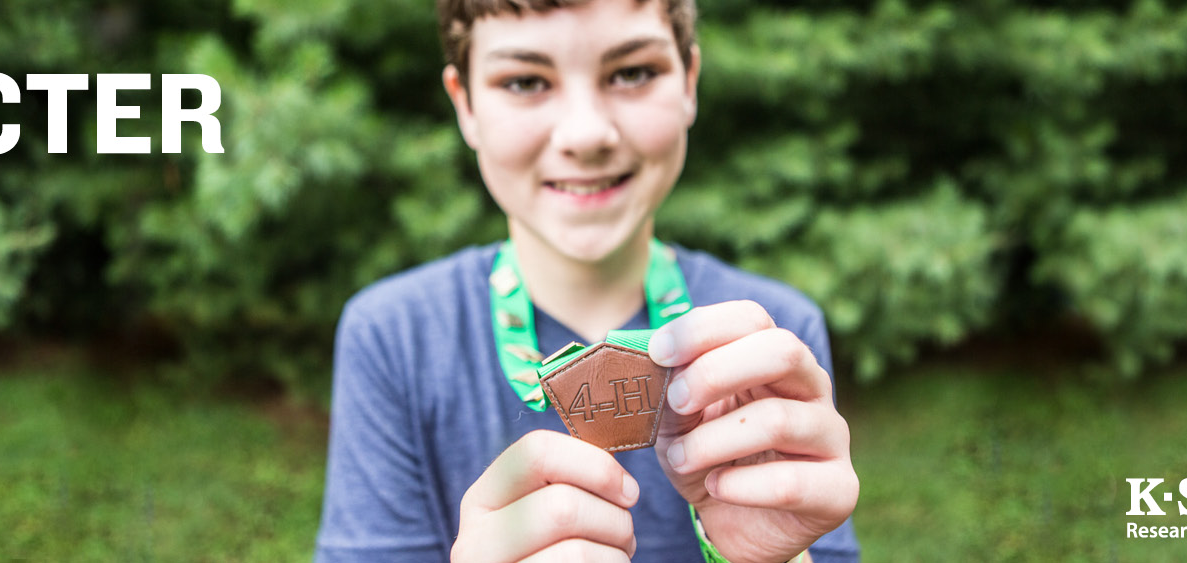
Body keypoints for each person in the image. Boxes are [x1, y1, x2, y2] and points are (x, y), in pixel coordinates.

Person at [315, 0, 860, 561]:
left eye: (632, 73)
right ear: (466, 106)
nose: (586, 133)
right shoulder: (392, 335)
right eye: (525, 80)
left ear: (689, 83)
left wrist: (775, 558)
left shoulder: (773, 340)